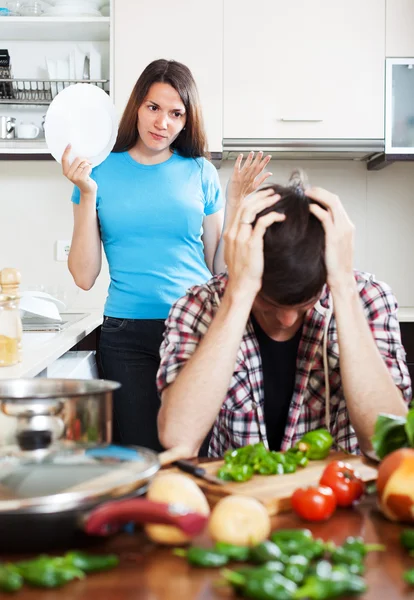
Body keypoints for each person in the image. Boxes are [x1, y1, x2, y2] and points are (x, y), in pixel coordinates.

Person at [62, 59, 271, 451]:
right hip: (126, 336)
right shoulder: (98, 172)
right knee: (144, 455)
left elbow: (219, 267)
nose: (163, 123)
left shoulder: (200, 171)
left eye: (176, 114)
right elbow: (84, 276)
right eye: (154, 108)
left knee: (194, 452)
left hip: (195, 327)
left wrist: (236, 203)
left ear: (187, 121)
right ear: (137, 107)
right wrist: (87, 193)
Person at [156, 166, 411, 458]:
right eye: (268, 303)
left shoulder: (367, 298)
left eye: (304, 305)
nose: (287, 320)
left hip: (342, 498)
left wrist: (343, 287)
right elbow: (178, 437)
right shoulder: (202, 304)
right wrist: (238, 295)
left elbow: (387, 445)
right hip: (237, 499)